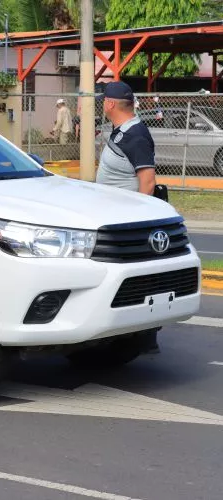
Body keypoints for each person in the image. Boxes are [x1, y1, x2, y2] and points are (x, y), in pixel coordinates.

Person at [96, 80, 160, 353]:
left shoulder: (136, 135)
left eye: (103, 100)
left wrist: (140, 224)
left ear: (110, 104)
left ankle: (142, 338)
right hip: (112, 219)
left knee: (134, 281)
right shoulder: (123, 130)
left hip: (126, 224)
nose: (102, 103)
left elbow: (147, 182)